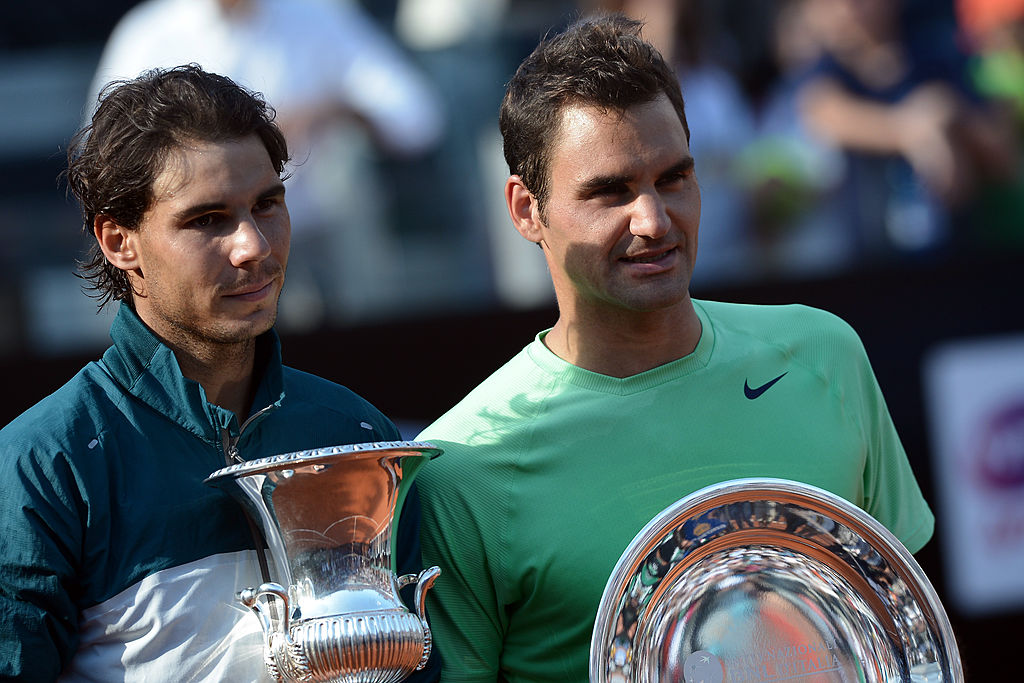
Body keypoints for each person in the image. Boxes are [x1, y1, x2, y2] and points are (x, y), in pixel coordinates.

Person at [413, 14, 935, 682]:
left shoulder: (824, 353)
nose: (654, 221)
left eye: (674, 177)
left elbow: (910, 639)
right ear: (525, 210)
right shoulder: (459, 467)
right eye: (610, 192)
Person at [0, 65, 439, 682]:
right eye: (207, 220)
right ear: (119, 241)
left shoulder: (356, 431)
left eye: (267, 203)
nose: (253, 245)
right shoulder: (44, 464)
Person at [87, 0, 447, 328]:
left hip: (328, 238)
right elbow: (105, 161)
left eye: (265, 204)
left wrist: (331, 110)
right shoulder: (150, 34)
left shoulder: (318, 15)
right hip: (208, 268)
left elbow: (417, 120)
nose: (252, 245)